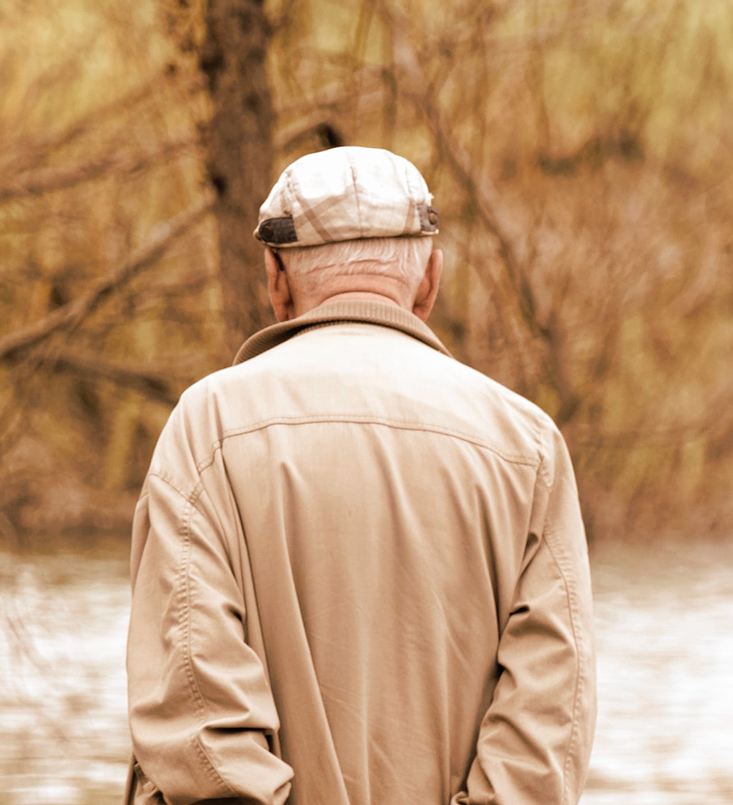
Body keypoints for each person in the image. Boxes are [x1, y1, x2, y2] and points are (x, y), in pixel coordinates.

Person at [125, 146, 595, 805]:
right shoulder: (528, 446)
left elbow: (194, 714)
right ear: (430, 279)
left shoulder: (207, 431)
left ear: (275, 277)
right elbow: (547, 725)